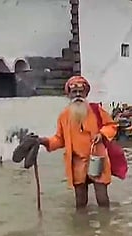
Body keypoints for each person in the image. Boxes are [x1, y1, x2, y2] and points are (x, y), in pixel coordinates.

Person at [39, 76, 118, 209]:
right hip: (76, 162)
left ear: (86, 93)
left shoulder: (96, 110)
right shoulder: (64, 116)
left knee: (102, 199)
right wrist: (44, 141)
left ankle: (106, 225)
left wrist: (102, 134)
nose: (78, 95)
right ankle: (81, 226)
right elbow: (59, 139)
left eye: (81, 91)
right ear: (68, 94)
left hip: (96, 158)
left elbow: (111, 126)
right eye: (74, 92)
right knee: (80, 202)